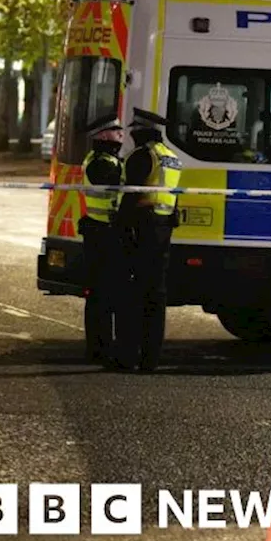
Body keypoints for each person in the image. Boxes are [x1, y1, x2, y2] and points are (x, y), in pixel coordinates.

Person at [114, 108, 182, 371]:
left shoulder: (143, 156)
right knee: (156, 295)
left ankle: (129, 354)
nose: (131, 137)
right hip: (163, 229)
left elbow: (132, 195)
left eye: (134, 132)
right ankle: (151, 357)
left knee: (133, 294)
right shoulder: (171, 157)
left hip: (140, 228)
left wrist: (122, 227)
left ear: (142, 132)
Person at [78, 115, 126, 365]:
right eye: (116, 131)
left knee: (106, 295)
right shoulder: (100, 163)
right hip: (101, 235)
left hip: (105, 233)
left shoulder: (108, 160)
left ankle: (103, 346)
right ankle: (99, 349)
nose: (121, 134)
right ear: (103, 135)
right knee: (101, 296)